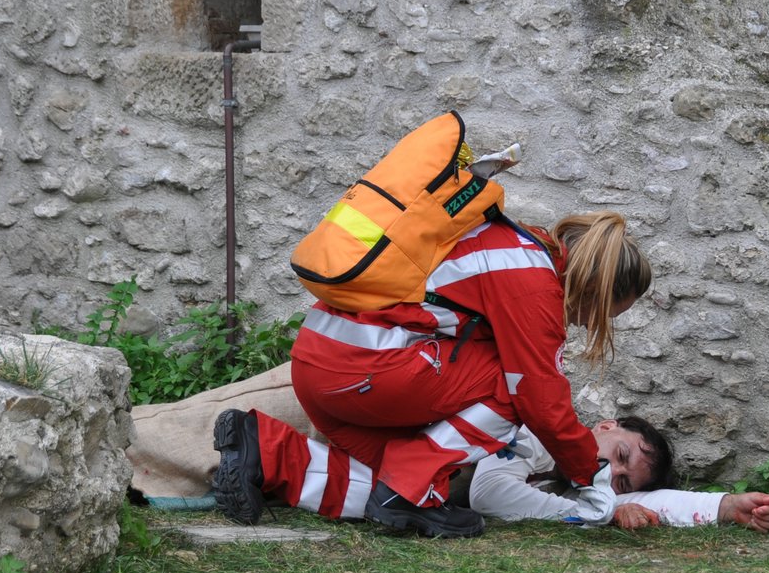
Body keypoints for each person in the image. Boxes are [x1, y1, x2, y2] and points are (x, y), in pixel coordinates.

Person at [218, 210, 652, 538]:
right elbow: (539, 396)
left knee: (389, 491)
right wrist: (588, 475)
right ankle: (409, 488)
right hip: (364, 368)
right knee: (515, 385)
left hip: (324, 366)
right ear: (595, 288)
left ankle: (266, 452)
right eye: (602, 314)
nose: (586, 325)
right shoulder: (532, 280)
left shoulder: (512, 247)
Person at [212, 407, 769, 533]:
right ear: (605, 426)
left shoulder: (575, 481)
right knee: (402, 498)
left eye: (623, 478)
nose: (610, 471)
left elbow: (645, 504)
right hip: (398, 423)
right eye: (621, 455)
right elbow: (488, 490)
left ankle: (263, 450)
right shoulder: (539, 431)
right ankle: (265, 446)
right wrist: (596, 516)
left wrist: (725, 507)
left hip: (402, 461)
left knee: (379, 495)